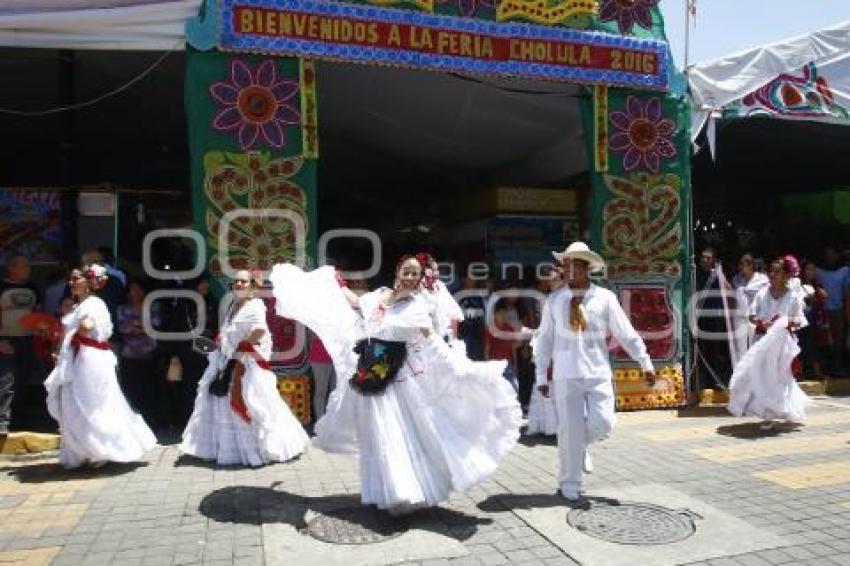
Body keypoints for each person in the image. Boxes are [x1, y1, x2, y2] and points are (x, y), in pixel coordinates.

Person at [269, 256, 521, 515]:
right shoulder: (380, 296)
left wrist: (465, 370)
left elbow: (433, 344)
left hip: (399, 384)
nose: (411, 277)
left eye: (416, 273)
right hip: (371, 377)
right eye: (407, 271)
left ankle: (403, 493)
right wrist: (338, 284)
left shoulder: (417, 307)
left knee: (395, 439)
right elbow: (356, 304)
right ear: (398, 271)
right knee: (379, 439)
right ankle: (388, 492)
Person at [534, 242, 655, 502]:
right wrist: (541, 375)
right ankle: (569, 484)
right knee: (568, 429)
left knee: (603, 423)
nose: (567, 269)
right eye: (565, 264)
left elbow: (625, 333)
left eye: (573, 264)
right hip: (566, 374)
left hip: (597, 371)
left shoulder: (605, 298)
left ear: (586, 267)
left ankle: (581, 445)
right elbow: (544, 340)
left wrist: (645, 362)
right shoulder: (555, 300)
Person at [180, 269, 308, 466]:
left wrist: (242, 346)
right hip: (230, 361)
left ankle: (261, 450)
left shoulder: (255, 305)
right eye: (236, 282)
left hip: (247, 366)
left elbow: (260, 330)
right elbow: (228, 333)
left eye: (243, 282)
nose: (238, 285)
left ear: (253, 287)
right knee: (226, 405)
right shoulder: (235, 306)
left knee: (256, 405)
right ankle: (234, 450)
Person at [44, 264, 156, 468]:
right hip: (82, 358)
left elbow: (87, 329)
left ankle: (99, 450)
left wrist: (74, 333)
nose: (72, 283)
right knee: (76, 403)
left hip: (90, 360)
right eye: (70, 279)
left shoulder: (93, 304)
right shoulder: (81, 305)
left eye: (76, 278)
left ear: (89, 282)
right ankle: (85, 450)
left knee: (91, 403)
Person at [728, 258, 810, 430]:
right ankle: (768, 413)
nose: (772, 275)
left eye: (776, 272)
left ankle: (779, 409)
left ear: (786, 276)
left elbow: (800, 320)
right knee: (763, 375)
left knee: (780, 378)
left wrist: (786, 323)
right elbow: (751, 315)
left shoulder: (793, 296)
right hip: (763, 342)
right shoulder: (762, 293)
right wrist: (761, 322)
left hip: (782, 345)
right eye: (771, 271)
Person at [0, 255, 40, 436]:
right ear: (11, 268)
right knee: (6, 381)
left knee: (23, 381)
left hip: (28, 339)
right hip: (6, 339)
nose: (28, 268)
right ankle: (2, 422)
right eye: (23, 266)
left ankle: (18, 421)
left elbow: (38, 313)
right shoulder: (2, 287)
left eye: (28, 265)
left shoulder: (32, 288)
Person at [525, 266, 564, 437]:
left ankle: (556, 426)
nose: (553, 282)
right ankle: (548, 425)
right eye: (552, 279)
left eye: (556, 279)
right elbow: (540, 323)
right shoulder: (545, 299)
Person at [116, 279, 160, 426]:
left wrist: (135, 325)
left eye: (137, 289)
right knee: (131, 388)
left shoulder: (152, 307)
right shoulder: (122, 309)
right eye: (131, 290)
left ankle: (153, 421)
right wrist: (142, 327)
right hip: (130, 354)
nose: (134, 293)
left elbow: (155, 326)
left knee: (150, 387)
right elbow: (124, 328)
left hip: (150, 353)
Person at [694, 247, 733, 391]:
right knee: (701, 351)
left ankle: (716, 380)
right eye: (703, 257)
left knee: (716, 351)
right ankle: (703, 381)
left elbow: (729, 290)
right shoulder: (695, 274)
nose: (705, 260)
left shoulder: (716, 275)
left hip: (715, 318)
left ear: (714, 260)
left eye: (708, 258)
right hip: (700, 318)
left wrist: (721, 275)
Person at [816, 246, 849, 371]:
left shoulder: (844, 271)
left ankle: (838, 362)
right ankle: (826, 364)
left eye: (833, 253)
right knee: (825, 337)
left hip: (839, 309)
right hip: (823, 311)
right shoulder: (819, 271)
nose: (830, 256)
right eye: (828, 254)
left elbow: (847, 292)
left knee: (839, 337)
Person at [731, 254, 769, 357]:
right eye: (740, 265)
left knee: (756, 346)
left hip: (755, 318)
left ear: (751, 265)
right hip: (739, 318)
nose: (740, 268)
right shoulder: (736, 279)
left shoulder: (763, 279)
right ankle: (741, 372)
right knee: (740, 348)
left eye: (743, 265)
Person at [799, 261, 828, 379]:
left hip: (814, 319)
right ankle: (799, 372)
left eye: (813, 269)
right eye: (808, 269)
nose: (811, 272)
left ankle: (817, 372)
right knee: (799, 345)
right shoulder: (798, 285)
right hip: (801, 320)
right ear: (803, 271)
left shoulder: (817, 285)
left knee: (813, 345)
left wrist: (822, 297)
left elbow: (822, 301)